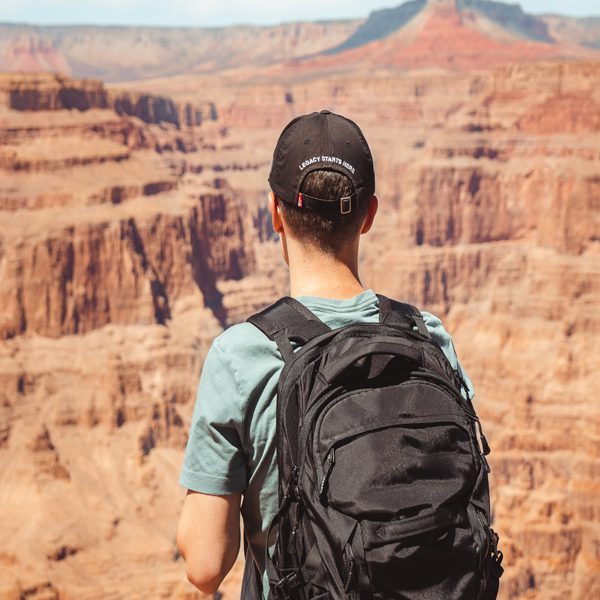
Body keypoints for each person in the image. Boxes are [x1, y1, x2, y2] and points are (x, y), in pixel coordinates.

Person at [176, 110, 474, 597]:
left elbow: (205, 566)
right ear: (369, 215)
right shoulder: (431, 337)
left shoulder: (240, 357)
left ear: (274, 212)